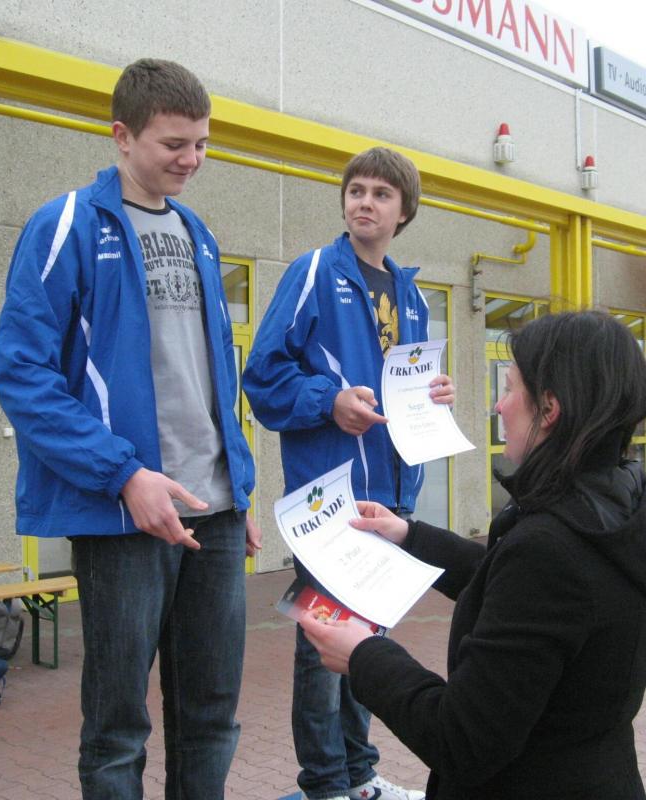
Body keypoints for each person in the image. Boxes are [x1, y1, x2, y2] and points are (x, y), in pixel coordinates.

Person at [0, 58, 261, 800]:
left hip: (213, 511)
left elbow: (214, 373)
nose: (192, 160)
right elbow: (22, 374)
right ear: (121, 135)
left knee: (212, 713)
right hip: (125, 514)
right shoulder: (66, 224)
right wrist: (123, 474)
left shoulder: (199, 233)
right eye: (174, 144)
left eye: (202, 144)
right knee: (117, 727)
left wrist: (236, 487)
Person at [302, 309, 646, 800]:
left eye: (509, 389)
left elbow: (461, 738)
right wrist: (409, 535)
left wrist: (363, 655)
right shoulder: (613, 505)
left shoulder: (550, 551)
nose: (498, 406)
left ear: (549, 408)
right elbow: (518, 596)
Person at [243, 147, 454, 800]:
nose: (364, 202)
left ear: (404, 211)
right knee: (323, 644)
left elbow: (402, 389)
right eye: (356, 190)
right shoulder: (313, 271)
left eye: (381, 194)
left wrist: (433, 396)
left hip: (390, 501)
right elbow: (263, 377)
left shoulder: (411, 296)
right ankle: (325, 782)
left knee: (366, 642)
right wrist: (328, 401)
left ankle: (359, 774)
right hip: (327, 500)